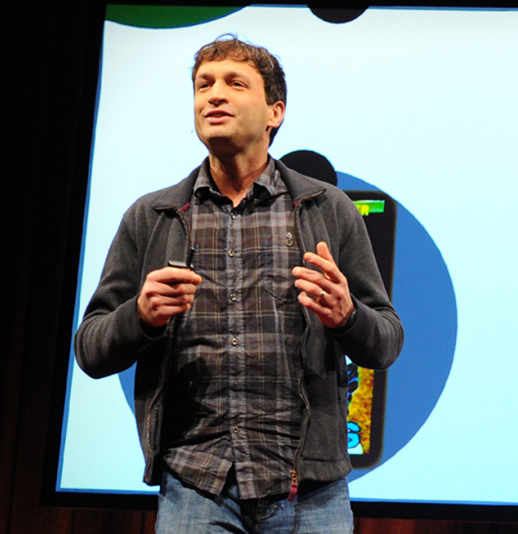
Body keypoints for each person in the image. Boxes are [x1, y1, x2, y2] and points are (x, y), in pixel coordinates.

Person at [74, 34, 403, 533]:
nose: (214, 95)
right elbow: (91, 350)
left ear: (275, 112)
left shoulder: (328, 210)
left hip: (309, 490)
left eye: (234, 83)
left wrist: (348, 318)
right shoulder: (153, 216)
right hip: (196, 485)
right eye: (203, 85)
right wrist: (138, 316)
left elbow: (386, 342)